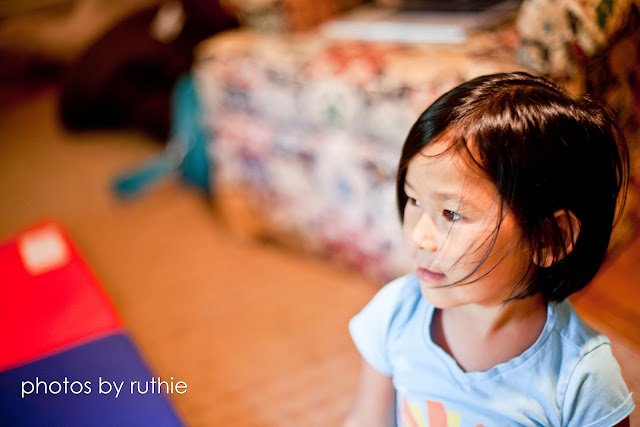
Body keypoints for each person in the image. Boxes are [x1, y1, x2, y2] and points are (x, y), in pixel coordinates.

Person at [345, 72, 634, 426]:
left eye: (452, 213)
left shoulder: (583, 380)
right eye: (414, 200)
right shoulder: (396, 313)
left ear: (546, 237)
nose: (419, 237)